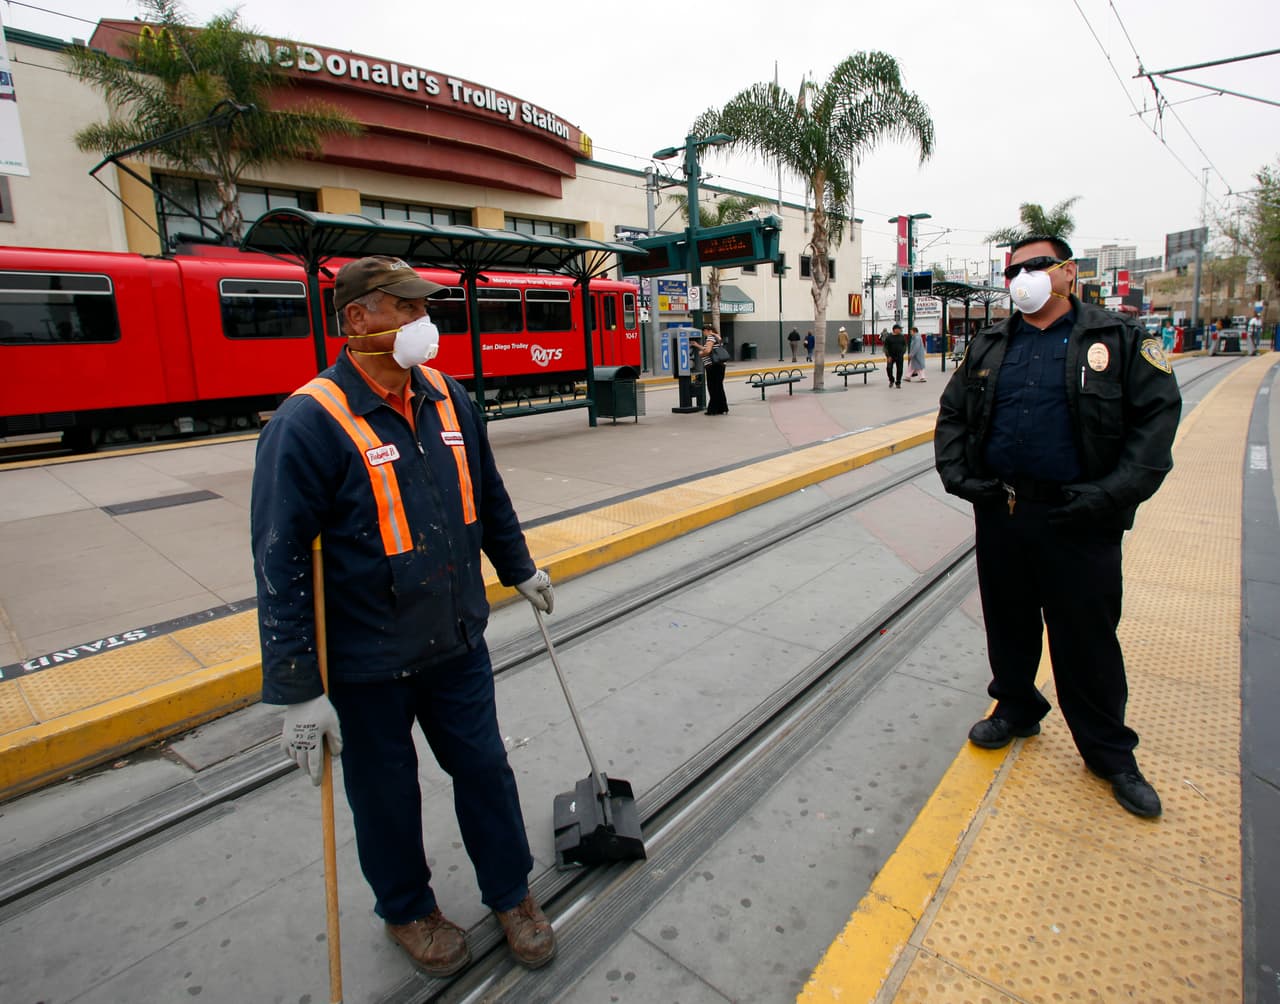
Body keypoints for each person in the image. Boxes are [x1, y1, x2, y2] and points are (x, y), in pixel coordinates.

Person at [251, 255, 559, 975]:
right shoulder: (307, 424)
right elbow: (279, 559)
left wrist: (520, 570)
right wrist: (296, 687)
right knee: (386, 796)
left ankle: (511, 895)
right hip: (367, 665)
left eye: (425, 308)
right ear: (358, 319)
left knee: (485, 768)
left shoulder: (451, 397)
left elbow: (488, 498)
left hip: (455, 642)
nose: (425, 322)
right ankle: (408, 911)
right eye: (406, 308)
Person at [934, 235, 1182, 819]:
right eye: (1014, 269)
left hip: (1081, 516)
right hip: (1003, 509)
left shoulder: (1118, 338)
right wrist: (960, 477)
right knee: (1008, 620)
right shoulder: (990, 343)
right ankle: (1017, 708)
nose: (1024, 276)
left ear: (1068, 272)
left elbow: (1155, 425)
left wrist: (1109, 496)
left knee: (1086, 638)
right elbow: (952, 414)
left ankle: (1109, 752)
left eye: (1037, 266)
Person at [693, 323, 729, 415]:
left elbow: (708, 351)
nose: (704, 334)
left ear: (707, 330)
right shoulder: (717, 337)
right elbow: (711, 349)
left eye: (704, 332)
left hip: (713, 366)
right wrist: (697, 345)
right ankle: (723, 408)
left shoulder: (710, 337)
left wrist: (701, 354)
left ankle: (713, 410)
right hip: (720, 365)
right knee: (719, 387)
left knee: (712, 388)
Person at [883, 323, 906, 388]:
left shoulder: (902, 337)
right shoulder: (889, 337)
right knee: (889, 368)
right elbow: (885, 347)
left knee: (900, 369)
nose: (900, 330)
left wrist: (903, 352)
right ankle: (891, 380)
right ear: (895, 330)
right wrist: (888, 356)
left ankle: (898, 382)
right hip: (891, 356)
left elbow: (904, 345)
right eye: (899, 329)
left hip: (899, 356)